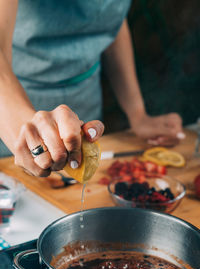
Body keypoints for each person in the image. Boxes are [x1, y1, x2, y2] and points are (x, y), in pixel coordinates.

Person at [0, 0, 185, 177]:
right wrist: (29, 133)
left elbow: (110, 20)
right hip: (15, 104)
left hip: (86, 97)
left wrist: (137, 114)